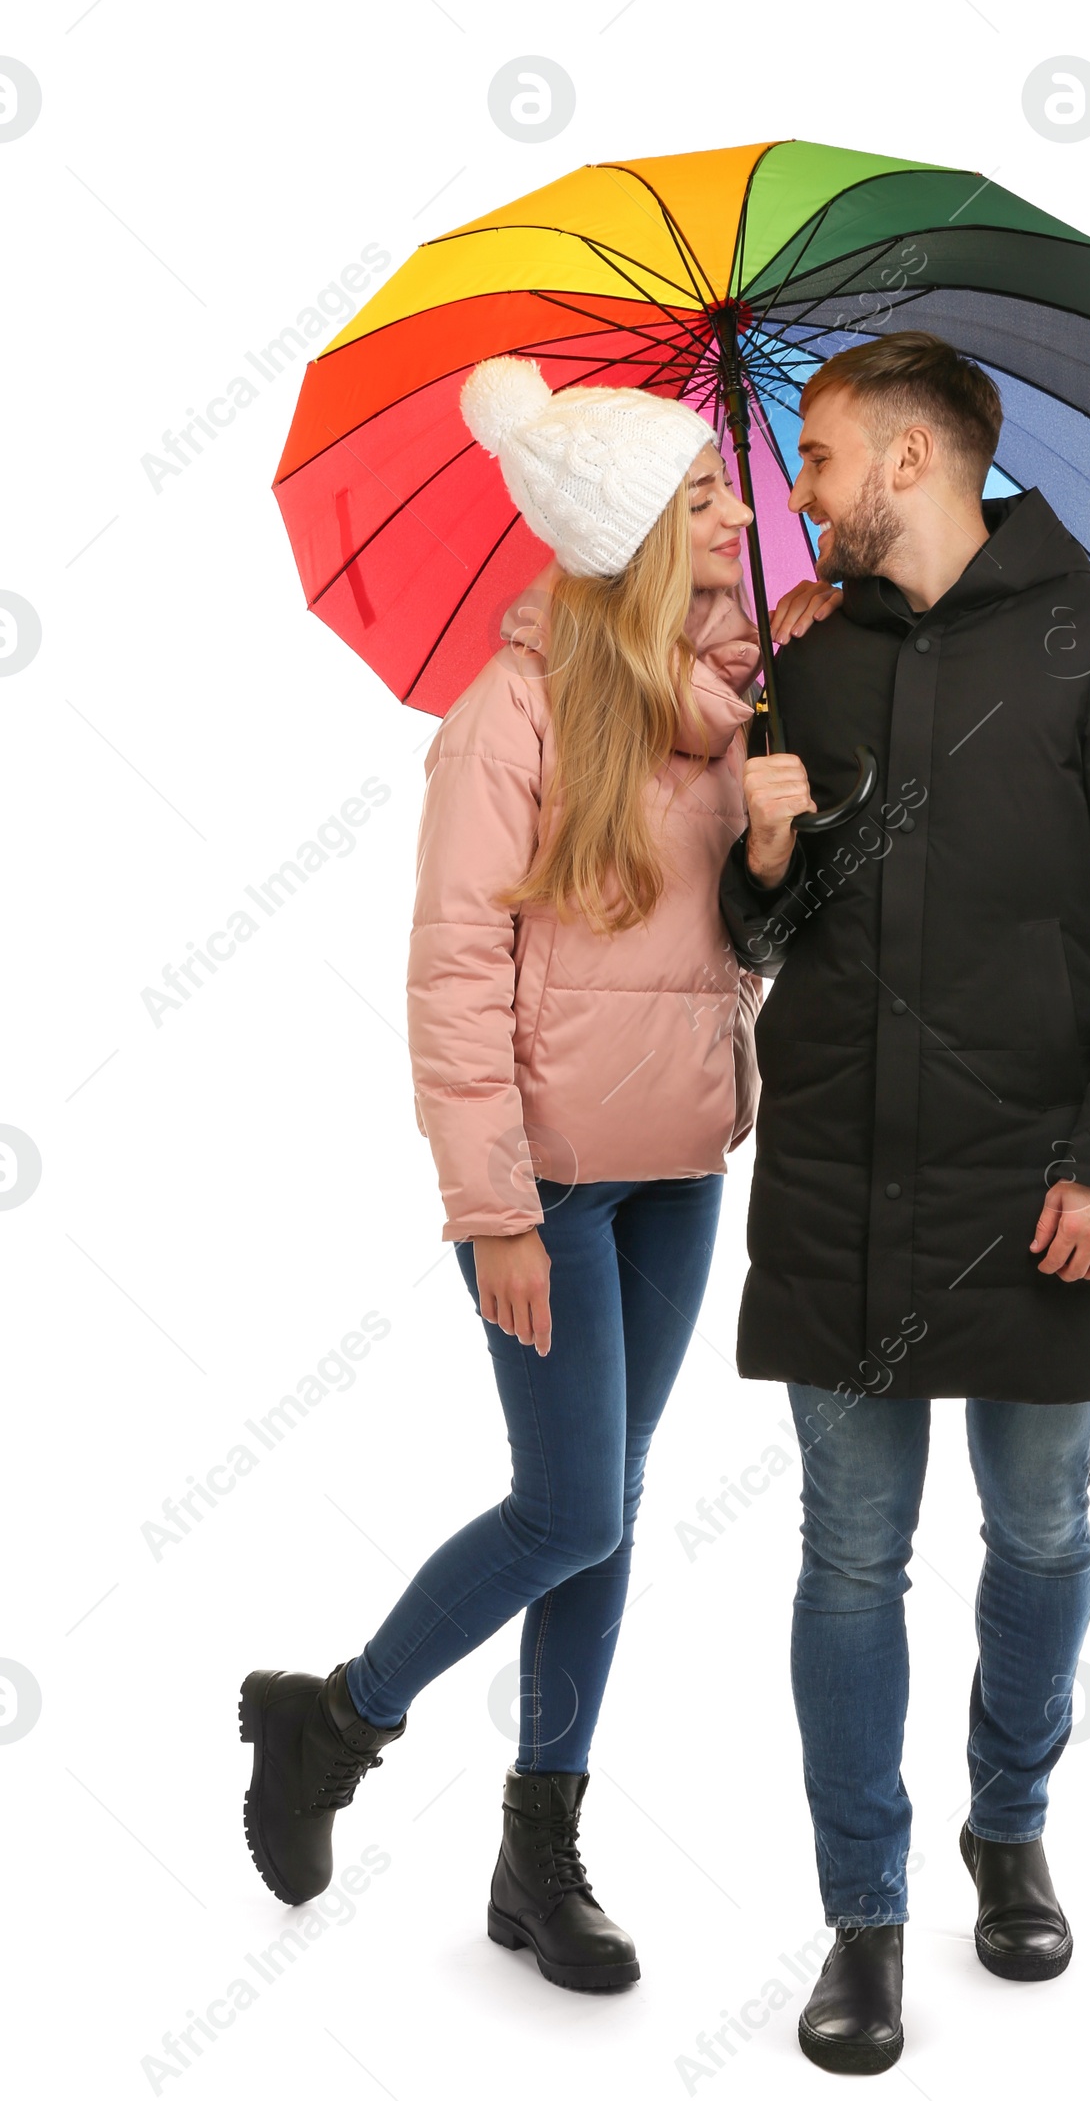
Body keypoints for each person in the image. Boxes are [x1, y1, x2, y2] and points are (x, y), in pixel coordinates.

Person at [720, 331, 1090, 2074]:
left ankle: (1006, 1823)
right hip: (841, 1184)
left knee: (1040, 1533)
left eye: (819, 457)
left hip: (1043, 1196)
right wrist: (764, 857)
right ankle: (864, 1921)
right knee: (850, 1557)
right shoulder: (809, 664)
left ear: (915, 461)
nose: (799, 491)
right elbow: (760, 951)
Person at [240, 355, 766, 1992]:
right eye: (703, 498)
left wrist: (769, 839)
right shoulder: (509, 719)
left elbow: (743, 948)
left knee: (603, 1519)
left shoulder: (731, 708)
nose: (743, 512)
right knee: (571, 1505)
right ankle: (337, 1716)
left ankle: (538, 1855)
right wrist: (493, 1208)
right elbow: (451, 972)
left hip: (681, 1165)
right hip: (546, 1188)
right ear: (627, 538)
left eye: (730, 486)